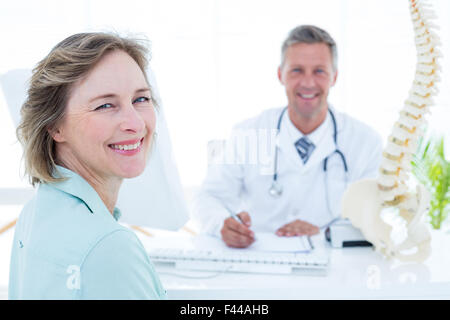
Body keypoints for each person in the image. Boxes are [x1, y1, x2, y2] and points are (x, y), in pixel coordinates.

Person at [191, 25, 383, 248]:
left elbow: (375, 217)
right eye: (297, 70)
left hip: (334, 269)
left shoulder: (365, 142)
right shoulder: (249, 134)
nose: (308, 82)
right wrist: (222, 224)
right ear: (280, 74)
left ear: (335, 76)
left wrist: (325, 234)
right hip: (263, 263)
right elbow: (207, 199)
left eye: (319, 71)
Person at [9, 32, 166, 299]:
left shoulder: (34, 212)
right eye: (105, 105)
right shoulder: (111, 247)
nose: (136, 123)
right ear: (55, 126)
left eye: (141, 99)